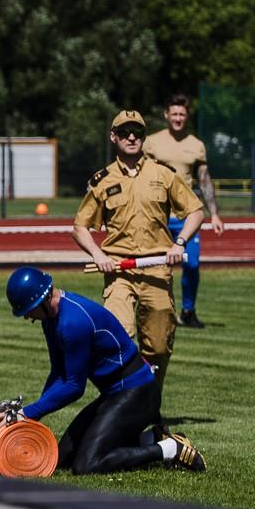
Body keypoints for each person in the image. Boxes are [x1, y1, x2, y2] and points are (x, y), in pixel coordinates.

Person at [5, 267, 204, 474]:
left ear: (45, 298)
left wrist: (27, 413)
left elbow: (74, 386)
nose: (28, 317)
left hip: (138, 394)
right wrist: (32, 415)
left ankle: (170, 448)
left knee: (86, 465)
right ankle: (152, 438)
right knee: (62, 457)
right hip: (115, 394)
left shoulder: (72, 323)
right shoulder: (50, 320)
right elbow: (58, 371)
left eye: (29, 310)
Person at [70, 110, 203, 390]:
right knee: (116, 337)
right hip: (119, 271)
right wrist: (99, 256)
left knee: (159, 345)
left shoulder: (163, 174)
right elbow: (80, 227)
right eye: (124, 132)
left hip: (156, 269)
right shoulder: (102, 180)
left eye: (137, 132)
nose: (131, 137)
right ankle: (120, 399)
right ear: (113, 137)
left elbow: (195, 212)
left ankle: (150, 399)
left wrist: (180, 243)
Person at [144, 94, 224, 329]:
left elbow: (204, 180)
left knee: (192, 264)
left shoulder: (196, 145)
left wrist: (214, 213)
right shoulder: (152, 142)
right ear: (166, 115)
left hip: (186, 216)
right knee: (159, 268)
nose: (178, 118)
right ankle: (158, 311)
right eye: (174, 114)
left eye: (182, 114)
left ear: (186, 116)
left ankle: (188, 311)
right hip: (158, 216)